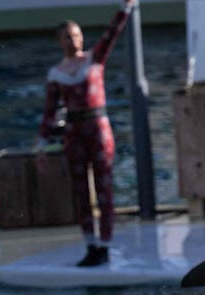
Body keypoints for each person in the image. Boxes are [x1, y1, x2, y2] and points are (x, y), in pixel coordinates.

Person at [36, 0, 135, 268]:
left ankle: (105, 245)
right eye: (68, 36)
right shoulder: (56, 74)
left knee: (104, 188)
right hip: (74, 133)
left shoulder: (95, 59)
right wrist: (42, 145)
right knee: (80, 191)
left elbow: (112, 33)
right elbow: (49, 111)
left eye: (77, 34)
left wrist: (126, 8)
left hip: (98, 128)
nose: (73, 40)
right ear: (60, 41)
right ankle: (90, 246)